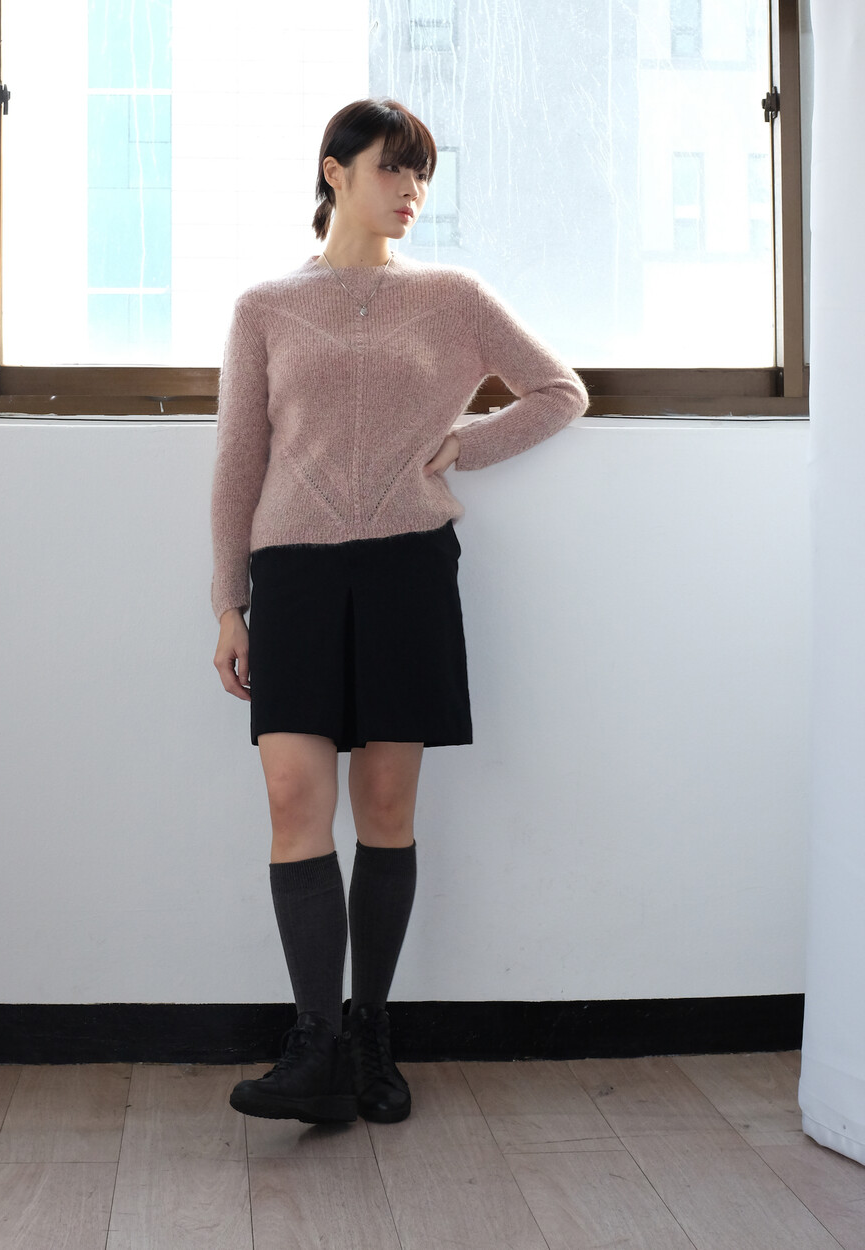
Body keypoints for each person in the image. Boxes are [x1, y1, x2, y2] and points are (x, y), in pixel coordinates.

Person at [211, 97, 588, 1126]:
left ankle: (370, 1031)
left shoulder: (452, 296)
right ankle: (315, 1045)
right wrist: (229, 601)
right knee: (293, 798)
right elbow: (237, 462)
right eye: (392, 168)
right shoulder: (263, 308)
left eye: (422, 173)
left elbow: (559, 391)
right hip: (292, 576)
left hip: (406, 571)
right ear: (334, 172)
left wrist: (464, 445)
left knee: (385, 807)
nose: (412, 190)